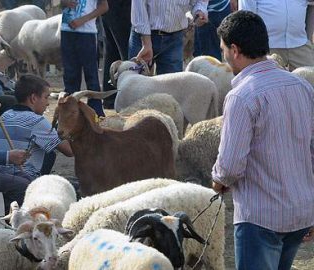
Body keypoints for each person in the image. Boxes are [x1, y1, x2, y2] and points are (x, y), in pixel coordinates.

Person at [211, 10, 314, 270]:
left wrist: (218, 180)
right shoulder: (302, 87)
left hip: (261, 219)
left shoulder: (242, 96)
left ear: (235, 50)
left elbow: (230, 166)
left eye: (223, 48)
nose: (223, 54)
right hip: (299, 212)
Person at [0, 74, 73, 180]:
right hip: (22, 178)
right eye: (46, 97)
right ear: (33, 98)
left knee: (49, 148)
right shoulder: (37, 121)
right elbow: (70, 151)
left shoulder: (5, 115)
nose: (48, 103)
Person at [128, 0, 208, 74]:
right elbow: (138, 7)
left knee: (171, 88)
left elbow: (199, 1)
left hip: (174, 39)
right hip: (142, 36)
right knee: (137, 84)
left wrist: (199, 11)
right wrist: (146, 43)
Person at [60, 0, 109, 117]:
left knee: (91, 74)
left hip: (87, 32)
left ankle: (96, 113)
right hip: (67, 29)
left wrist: (84, 19)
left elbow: (104, 6)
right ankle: (70, 111)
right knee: (70, 74)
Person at [239, 0, 314, 71]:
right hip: (267, 48)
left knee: (310, 82)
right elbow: (246, 19)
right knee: (268, 82)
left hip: (300, 44)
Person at [101, 0, 131, 109]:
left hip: (111, 6)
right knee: (127, 53)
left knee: (111, 51)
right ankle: (127, 96)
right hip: (121, 6)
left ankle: (110, 97)